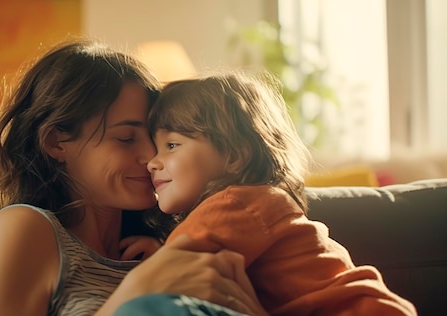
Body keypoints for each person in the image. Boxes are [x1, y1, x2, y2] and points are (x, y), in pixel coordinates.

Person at [0, 39, 266, 316]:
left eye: (158, 140)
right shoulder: (26, 229)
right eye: (126, 139)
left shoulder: (169, 242)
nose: (152, 157)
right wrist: (140, 288)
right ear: (56, 142)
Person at [145, 70, 418, 315]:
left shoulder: (234, 203)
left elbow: (168, 276)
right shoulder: (260, 201)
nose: (152, 162)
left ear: (235, 156)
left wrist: (151, 261)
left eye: (171, 145)